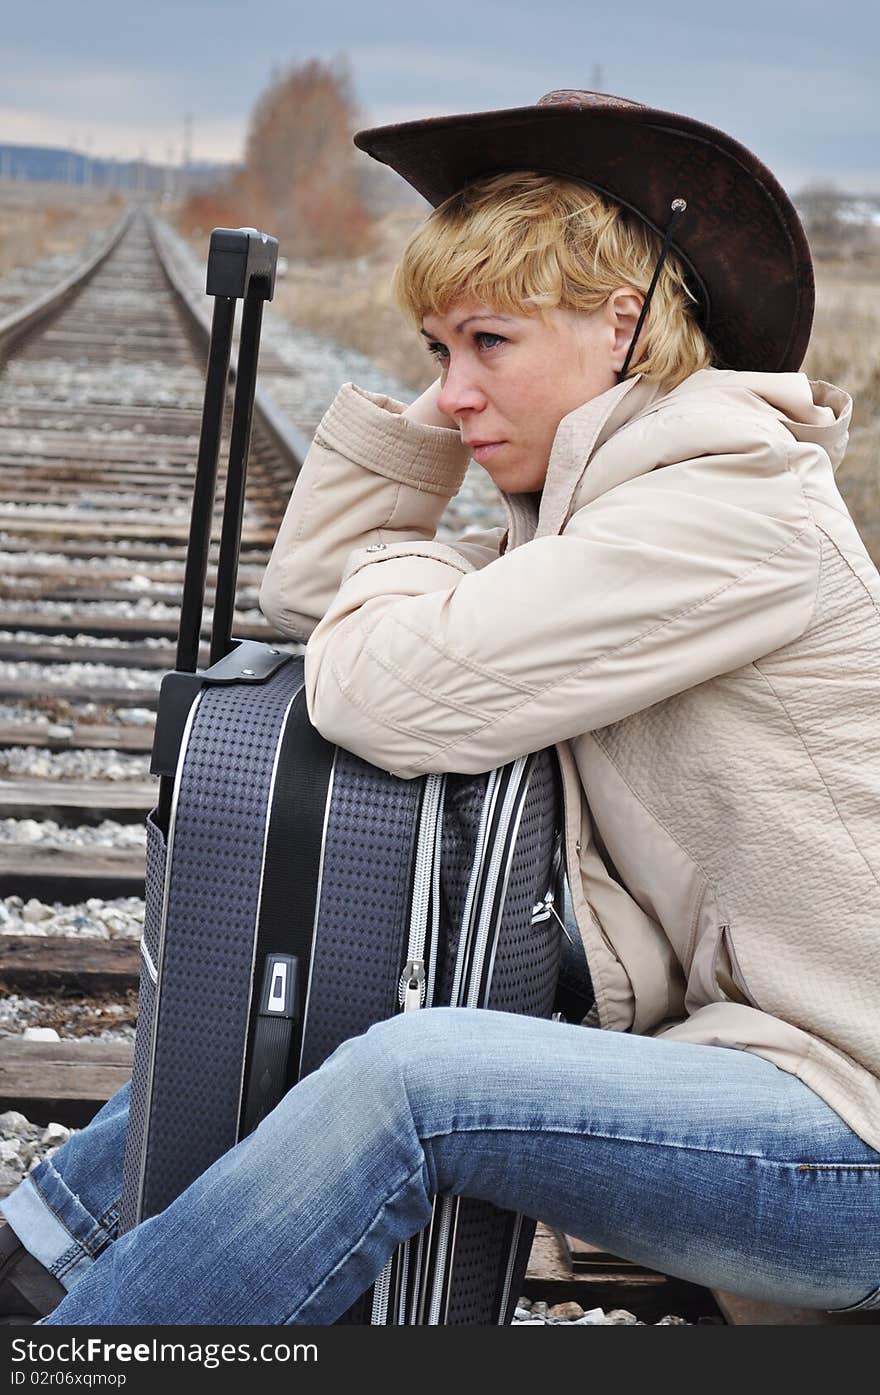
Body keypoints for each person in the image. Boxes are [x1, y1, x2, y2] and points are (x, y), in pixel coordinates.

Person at [2, 89, 879, 1326]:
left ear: (624, 329)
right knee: (345, 966)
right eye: (434, 352)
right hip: (759, 1081)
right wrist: (473, 409)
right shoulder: (614, 506)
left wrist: (415, 567)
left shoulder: (727, 511)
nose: (454, 391)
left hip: (848, 1135)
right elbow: (314, 597)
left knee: (412, 1082)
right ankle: (38, 1257)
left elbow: (383, 693)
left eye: (490, 345)